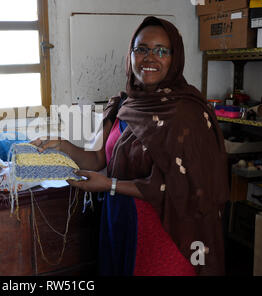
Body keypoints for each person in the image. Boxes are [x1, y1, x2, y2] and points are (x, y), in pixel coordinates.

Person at [32, 16, 229, 276]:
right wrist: (63, 146)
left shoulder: (186, 113)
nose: (150, 58)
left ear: (175, 57)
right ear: (131, 54)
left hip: (165, 226)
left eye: (161, 51)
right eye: (142, 49)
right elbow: (98, 158)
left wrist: (109, 185)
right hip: (121, 217)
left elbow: (187, 187)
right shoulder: (124, 105)